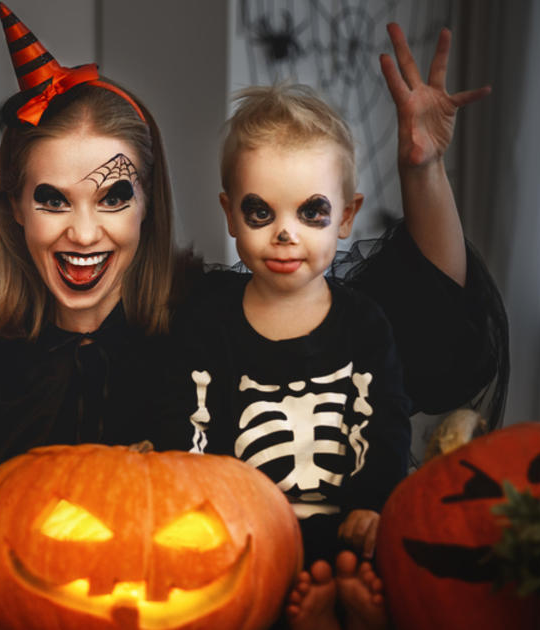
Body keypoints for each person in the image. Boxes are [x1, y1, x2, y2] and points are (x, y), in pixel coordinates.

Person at [0, 4, 503, 588]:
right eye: (52, 200)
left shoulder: (212, 316)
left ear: (149, 205)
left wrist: (422, 171)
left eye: (113, 197)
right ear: (16, 208)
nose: (82, 231)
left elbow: (433, 340)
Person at [179, 82, 413, 630]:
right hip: (245, 537)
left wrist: (371, 504)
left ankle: (346, 606)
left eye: (312, 213)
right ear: (230, 215)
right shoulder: (208, 325)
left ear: (347, 217)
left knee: (377, 555)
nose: (285, 233)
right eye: (261, 213)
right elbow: (190, 429)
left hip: (346, 529)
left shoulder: (364, 324)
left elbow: (384, 422)